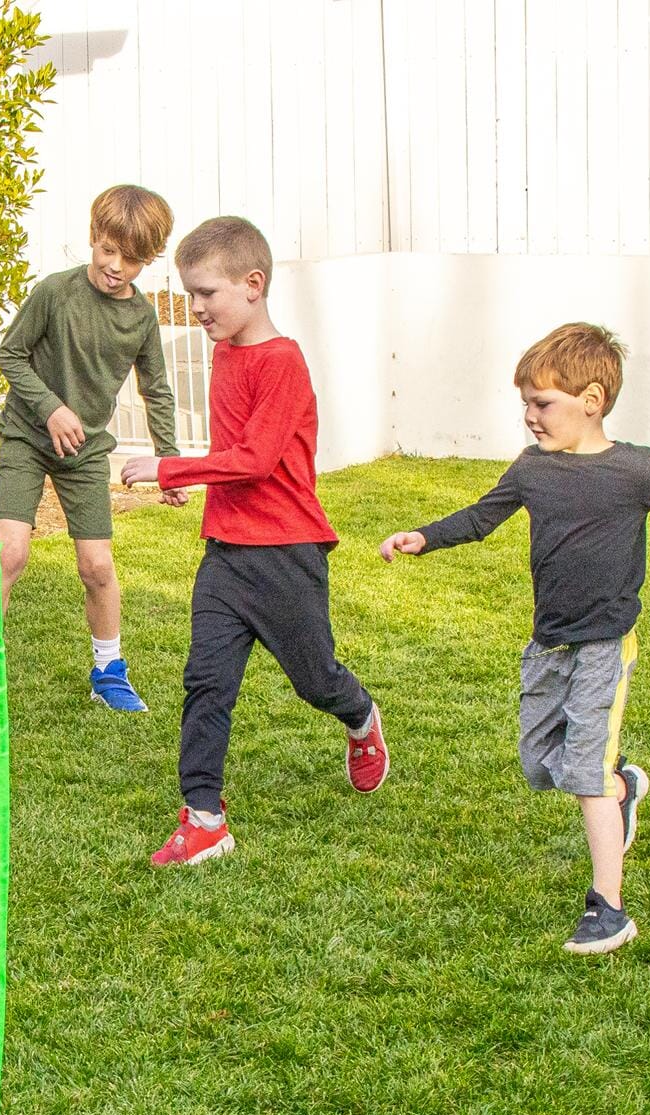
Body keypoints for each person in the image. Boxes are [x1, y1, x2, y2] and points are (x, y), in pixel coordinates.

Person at [380, 323, 650, 954]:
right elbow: (481, 516)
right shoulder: (532, 470)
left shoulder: (633, 470)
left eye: (542, 403)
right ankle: (623, 787)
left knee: (583, 771)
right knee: (538, 761)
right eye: (525, 403)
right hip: (548, 641)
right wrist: (424, 536)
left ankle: (608, 908)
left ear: (592, 400)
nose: (530, 417)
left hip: (605, 641)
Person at [121, 215, 389, 866]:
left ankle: (360, 717)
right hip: (226, 554)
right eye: (190, 295)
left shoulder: (283, 361)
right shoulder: (224, 352)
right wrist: (191, 481)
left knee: (314, 679)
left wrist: (171, 467)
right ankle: (204, 818)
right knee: (206, 681)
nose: (197, 308)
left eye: (206, 294)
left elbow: (257, 459)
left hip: (287, 553)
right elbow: (232, 453)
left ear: (252, 283)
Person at [0, 183, 188, 712]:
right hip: (27, 438)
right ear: (92, 239)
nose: (115, 266)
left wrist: (167, 462)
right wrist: (51, 408)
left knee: (98, 567)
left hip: (84, 452)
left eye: (131, 259)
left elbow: (157, 389)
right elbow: (10, 356)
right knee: (9, 554)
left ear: (149, 259)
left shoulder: (142, 318)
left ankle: (109, 671)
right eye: (108, 251)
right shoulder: (54, 292)